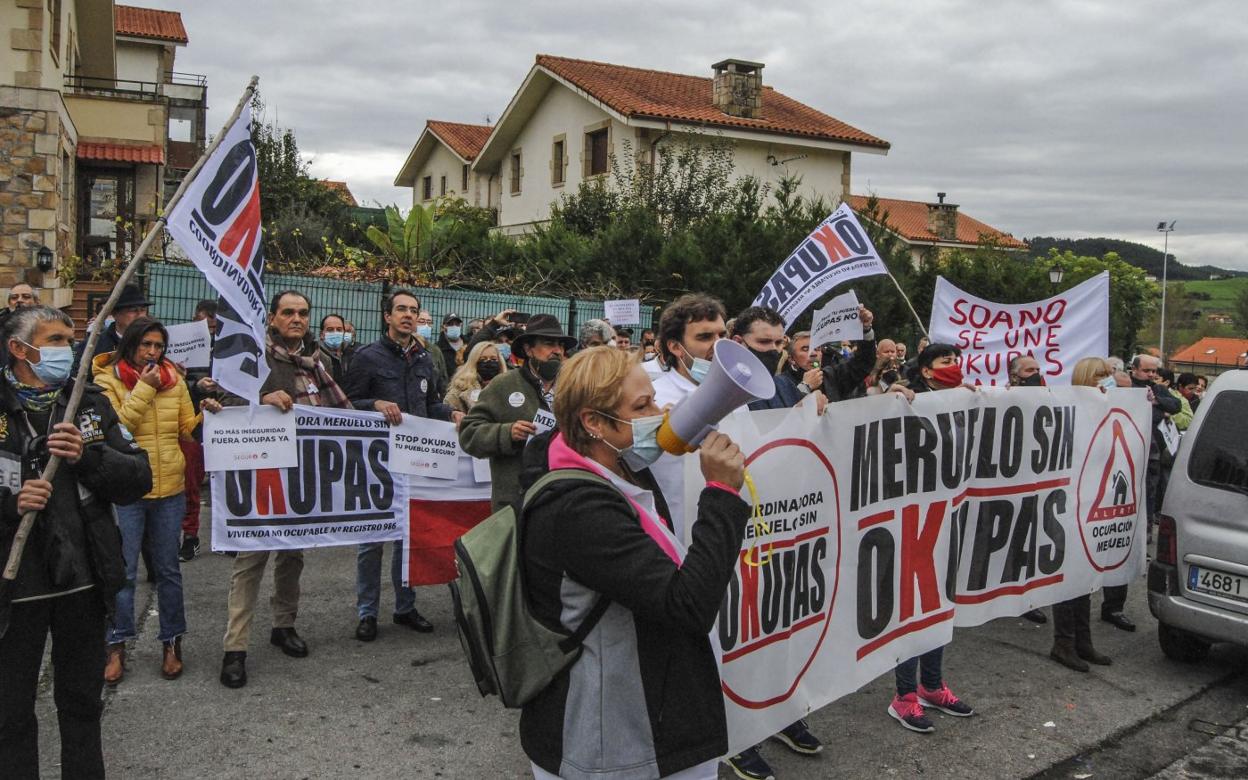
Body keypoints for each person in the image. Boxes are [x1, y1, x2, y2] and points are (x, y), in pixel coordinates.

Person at [519, 346, 750, 780]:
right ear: (592, 421)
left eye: (654, 400)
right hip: (614, 742)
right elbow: (688, 606)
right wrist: (720, 493)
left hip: (646, 713)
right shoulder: (580, 510)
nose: (658, 414)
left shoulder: (619, 467)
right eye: (641, 406)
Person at [0, 305, 153, 778]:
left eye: (70, 338)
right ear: (19, 349)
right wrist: (11, 504)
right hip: (15, 590)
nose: (68, 349)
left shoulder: (86, 402)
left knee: (83, 705)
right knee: (10, 714)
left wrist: (87, 458)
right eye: (56, 340)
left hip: (82, 586)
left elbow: (137, 476)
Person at [217, 290, 352, 689]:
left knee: (292, 556)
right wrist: (259, 398)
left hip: (303, 477)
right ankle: (235, 648)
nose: (297, 318)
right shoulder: (253, 358)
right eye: (288, 312)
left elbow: (339, 414)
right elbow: (224, 402)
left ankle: (284, 625)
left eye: (303, 313)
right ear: (272, 318)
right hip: (262, 476)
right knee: (250, 562)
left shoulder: (320, 362)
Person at [92, 317, 217, 684]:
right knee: (125, 572)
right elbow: (118, 431)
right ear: (130, 344)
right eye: (146, 345)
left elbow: (184, 430)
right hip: (128, 490)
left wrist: (203, 413)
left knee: (168, 571)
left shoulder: (173, 379)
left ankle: (172, 643)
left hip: (169, 490)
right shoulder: (106, 381)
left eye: (158, 346)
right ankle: (116, 645)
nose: (152, 352)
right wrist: (145, 389)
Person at [341, 290, 461, 641]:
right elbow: (347, 406)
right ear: (387, 317)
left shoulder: (425, 358)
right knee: (373, 538)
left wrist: (451, 413)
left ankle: (405, 607)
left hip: (416, 461)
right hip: (377, 461)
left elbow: (430, 404)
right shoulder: (367, 357)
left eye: (414, 310)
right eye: (401, 310)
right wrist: (375, 403)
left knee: (408, 535)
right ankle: (367, 613)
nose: (408, 315)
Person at [888, 343, 976, 734]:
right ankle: (904, 696)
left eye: (956, 360)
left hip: (947, 519)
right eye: (945, 361)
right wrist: (892, 397)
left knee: (939, 605)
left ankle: (932, 685)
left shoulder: (962, 400)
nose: (954, 366)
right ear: (925, 371)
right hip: (911, 522)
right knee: (912, 609)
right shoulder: (909, 402)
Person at [460, 313, 576, 510]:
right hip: (516, 503)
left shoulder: (574, 386)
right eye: (549, 343)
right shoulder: (503, 385)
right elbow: (469, 434)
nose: (557, 350)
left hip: (563, 500)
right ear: (528, 349)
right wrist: (507, 433)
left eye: (561, 345)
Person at [1100, 354, 1181, 634]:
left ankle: (1114, 605)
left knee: (1125, 536)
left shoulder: (1154, 391)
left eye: (1154, 372)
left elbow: (1175, 404)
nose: (1150, 375)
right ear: (1132, 370)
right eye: (1146, 370)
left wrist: (1156, 401)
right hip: (1108, 469)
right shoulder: (1116, 385)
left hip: (1144, 465)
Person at [1048, 357, 1116, 672]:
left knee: (1086, 576)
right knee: (1067, 576)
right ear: (1088, 379)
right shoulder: (1069, 411)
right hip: (1068, 505)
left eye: (1110, 377)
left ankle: (1082, 641)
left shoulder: (1108, 410)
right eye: (1102, 377)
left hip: (1093, 503)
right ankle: (1063, 643)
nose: (1108, 383)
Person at [1006, 354, 1051, 625]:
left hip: (1039, 479)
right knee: (1016, 540)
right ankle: (1016, 596)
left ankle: (1027, 593)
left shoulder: (1049, 396)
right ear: (1015, 375)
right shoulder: (1004, 397)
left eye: (1037, 369)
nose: (1035, 373)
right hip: (1011, 482)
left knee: (1035, 539)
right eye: (1029, 370)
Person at [179, 299, 219, 562]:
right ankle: (190, 537)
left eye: (214, 326)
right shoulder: (181, 346)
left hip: (224, 421)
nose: (210, 330)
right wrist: (196, 386)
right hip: (192, 423)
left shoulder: (232, 347)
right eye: (206, 324)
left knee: (224, 485)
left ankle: (227, 537)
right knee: (191, 484)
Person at [72, 284, 151, 375]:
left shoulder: (156, 342)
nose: (140, 315)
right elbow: (78, 379)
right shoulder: (93, 345)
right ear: (114, 313)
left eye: (143, 310)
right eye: (133, 310)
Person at [445, 341, 508, 413]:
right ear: (474, 362)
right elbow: (448, 412)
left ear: (500, 362)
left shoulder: (508, 386)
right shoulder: (460, 388)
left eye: (493, 359)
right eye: (482, 359)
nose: (488, 363)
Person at [415, 308, 451, 393]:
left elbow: (443, 379)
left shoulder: (435, 350)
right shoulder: (405, 348)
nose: (426, 325)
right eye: (422, 321)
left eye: (429, 322)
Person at [318, 313, 352, 385]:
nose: (335, 333)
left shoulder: (352, 355)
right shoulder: (315, 355)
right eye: (330, 330)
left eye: (339, 330)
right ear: (321, 334)